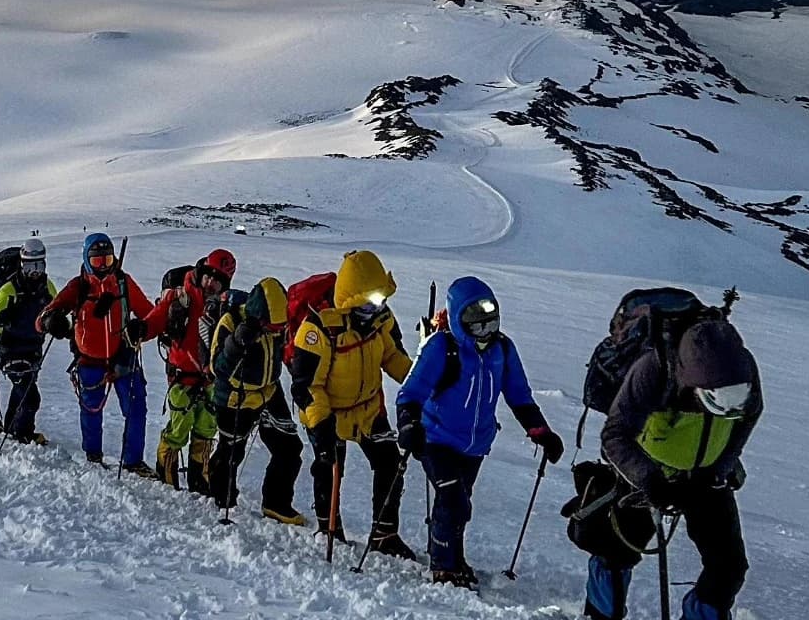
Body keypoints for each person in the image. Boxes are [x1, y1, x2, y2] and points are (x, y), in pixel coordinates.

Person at [585, 313, 763, 620]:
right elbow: (615, 435)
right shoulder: (653, 370)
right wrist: (648, 479)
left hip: (705, 477)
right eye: (716, 400)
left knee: (728, 564)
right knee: (618, 550)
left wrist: (718, 471)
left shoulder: (742, 371)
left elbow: (748, 416)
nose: (728, 407)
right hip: (645, 472)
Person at [395, 276, 563, 586]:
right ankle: (443, 567)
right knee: (452, 498)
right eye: (476, 324)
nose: (485, 331)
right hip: (436, 438)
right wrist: (408, 423)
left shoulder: (503, 349)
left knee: (459, 501)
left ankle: (451, 557)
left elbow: (519, 396)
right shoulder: (441, 347)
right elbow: (411, 391)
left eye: (491, 322)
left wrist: (541, 431)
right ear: (459, 321)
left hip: (475, 444)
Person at [289, 250, 415, 557]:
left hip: (369, 409)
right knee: (329, 467)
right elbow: (306, 385)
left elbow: (392, 357)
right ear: (351, 300)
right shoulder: (317, 329)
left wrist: (420, 382)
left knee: (389, 464)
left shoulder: (380, 320)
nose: (379, 307)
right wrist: (319, 422)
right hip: (328, 413)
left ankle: (384, 534)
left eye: (382, 299)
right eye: (372, 301)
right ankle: (328, 528)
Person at [41, 233, 154, 472]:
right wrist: (52, 321)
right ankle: (93, 455)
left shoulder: (124, 283)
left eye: (107, 259)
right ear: (86, 259)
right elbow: (41, 320)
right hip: (89, 361)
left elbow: (150, 315)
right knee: (91, 411)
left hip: (124, 358)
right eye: (97, 261)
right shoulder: (78, 286)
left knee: (136, 408)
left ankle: (133, 461)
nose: (103, 266)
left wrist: (142, 328)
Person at [131, 248, 234, 491]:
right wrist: (141, 330)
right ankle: (167, 478)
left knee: (206, 429)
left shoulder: (224, 306)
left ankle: (200, 480)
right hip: (181, 377)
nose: (211, 284)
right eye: (209, 276)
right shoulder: (180, 297)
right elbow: (156, 319)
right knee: (179, 428)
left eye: (218, 281)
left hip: (209, 380)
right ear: (201, 272)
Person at [208, 278, 305, 524]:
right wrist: (238, 342)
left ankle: (276, 503)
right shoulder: (230, 322)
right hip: (234, 397)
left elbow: (285, 351)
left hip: (270, 392)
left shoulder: (278, 325)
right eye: (271, 327)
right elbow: (217, 369)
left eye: (279, 326)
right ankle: (221, 498)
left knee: (290, 448)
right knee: (231, 451)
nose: (277, 331)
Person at [0, 237, 55, 442]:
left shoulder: (47, 287)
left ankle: (11, 427)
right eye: (30, 266)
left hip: (33, 349)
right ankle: (22, 434)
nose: (35, 271)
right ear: (22, 264)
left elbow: (60, 312)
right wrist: (0, 319)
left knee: (22, 389)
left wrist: (59, 324)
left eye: (39, 265)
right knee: (30, 396)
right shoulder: (8, 290)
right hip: (10, 350)